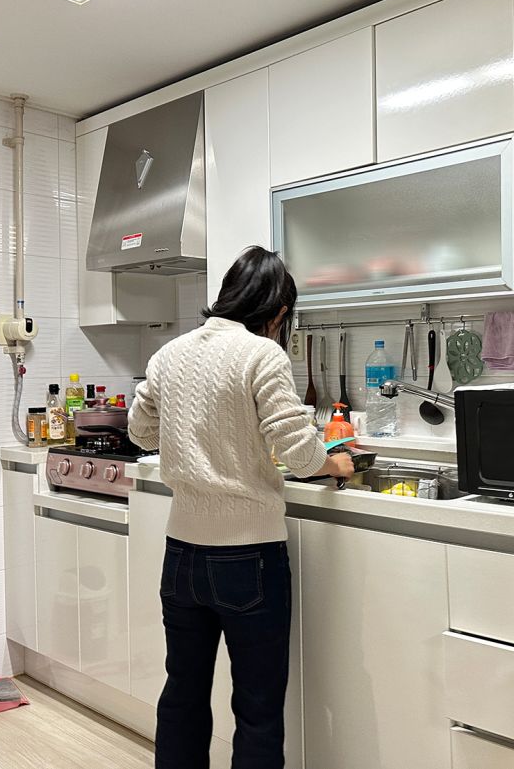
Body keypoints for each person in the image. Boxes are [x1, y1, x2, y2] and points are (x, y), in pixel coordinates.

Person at [128, 246, 354, 769]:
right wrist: (336, 465)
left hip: (181, 555)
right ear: (277, 313)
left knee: (182, 693)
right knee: (256, 708)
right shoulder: (263, 354)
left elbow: (140, 432)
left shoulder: (169, 354)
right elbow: (300, 456)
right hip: (249, 559)